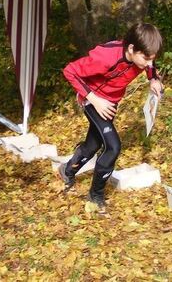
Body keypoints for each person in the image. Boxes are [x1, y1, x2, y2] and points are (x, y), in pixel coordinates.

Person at [57, 23, 163, 212]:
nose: (148, 63)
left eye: (151, 59)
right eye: (146, 58)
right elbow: (70, 71)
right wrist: (94, 99)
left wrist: (153, 78)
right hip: (93, 100)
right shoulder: (105, 57)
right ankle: (95, 195)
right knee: (113, 147)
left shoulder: (142, 56)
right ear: (131, 48)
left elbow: (150, 65)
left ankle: (67, 170)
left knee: (93, 144)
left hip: (110, 103)